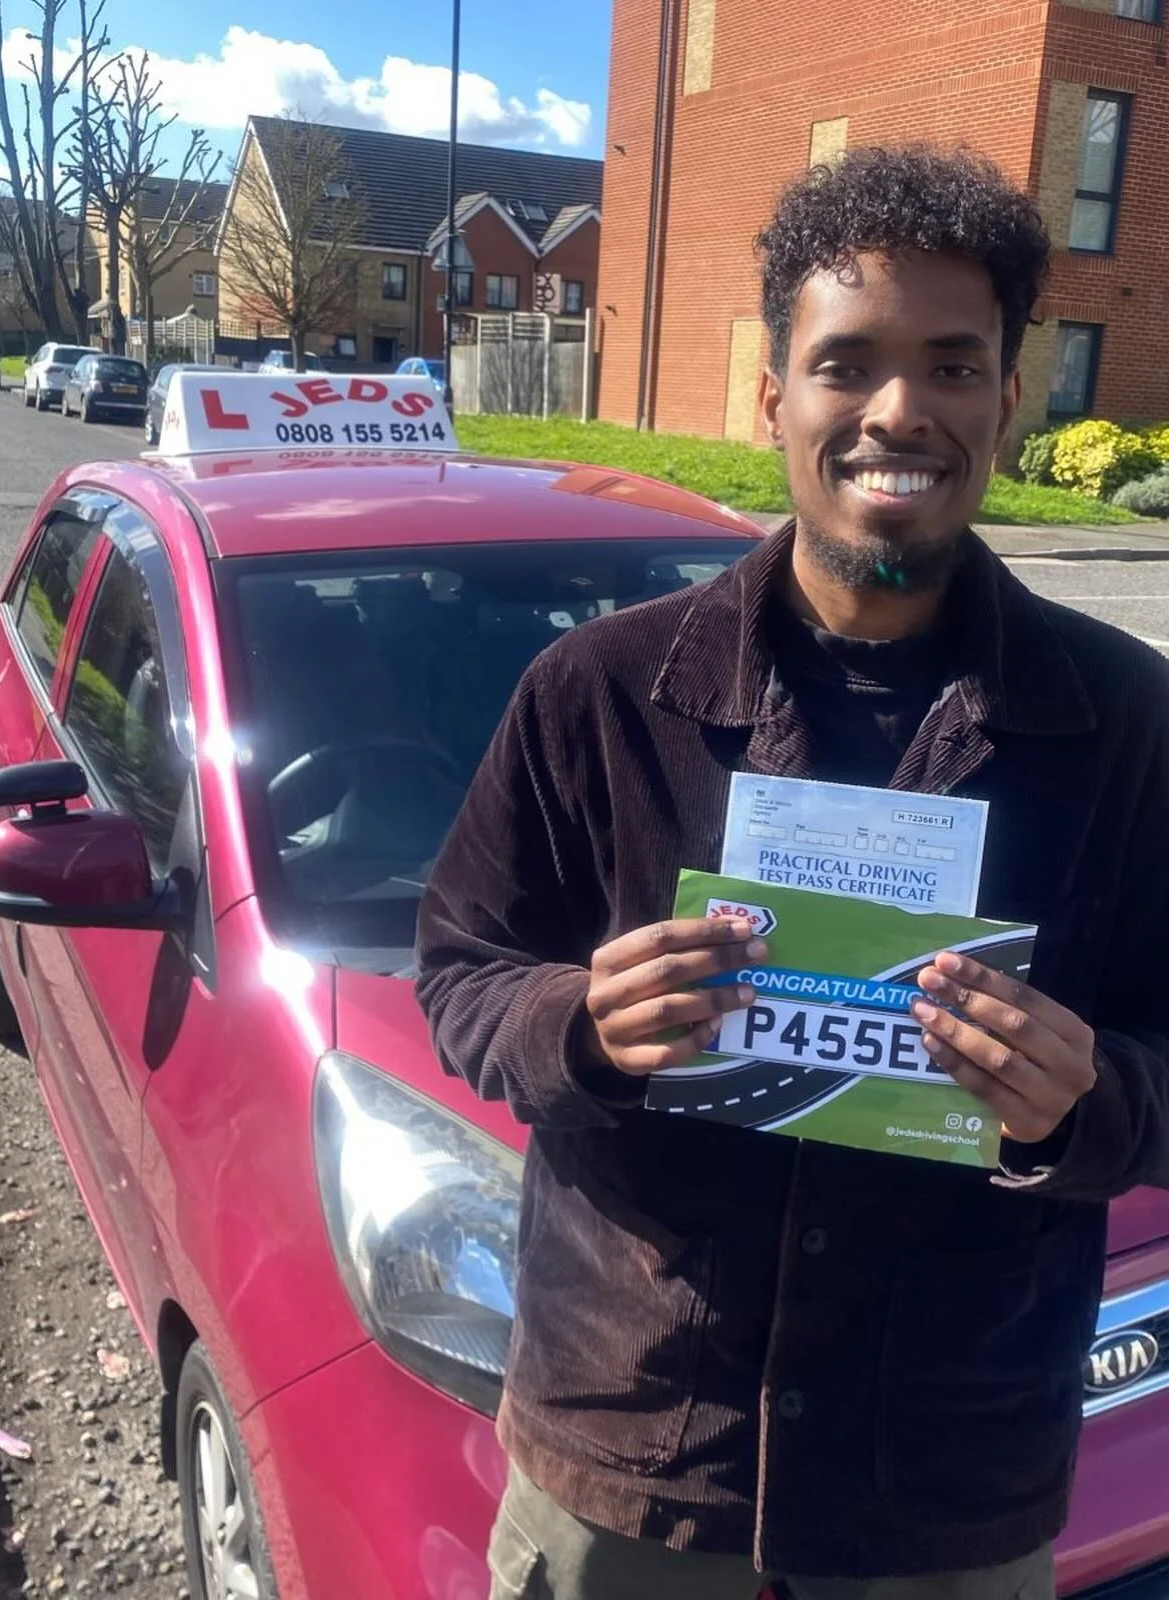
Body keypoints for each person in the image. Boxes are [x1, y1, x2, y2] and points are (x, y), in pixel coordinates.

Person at [415, 145, 1169, 1600]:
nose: (900, 410)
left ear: (1011, 400)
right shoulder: (595, 694)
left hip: (941, 1496)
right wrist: (575, 1024)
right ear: (776, 399)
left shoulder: (1128, 727)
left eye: (953, 366)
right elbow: (461, 971)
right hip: (634, 1474)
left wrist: (1087, 1100)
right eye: (848, 364)